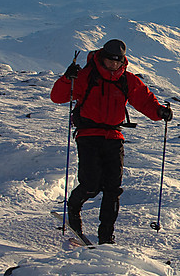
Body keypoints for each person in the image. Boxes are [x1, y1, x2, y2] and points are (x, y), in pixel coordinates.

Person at [51, 39, 173, 244]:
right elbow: (58, 97)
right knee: (91, 184)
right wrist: (66, 78)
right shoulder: (84, 75)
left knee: (112, 188)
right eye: (110, 60)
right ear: (103, 57)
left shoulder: (127, 80)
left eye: (118, 61)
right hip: (88, 134)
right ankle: (72, 209)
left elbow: (144, 100)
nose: (114, 65)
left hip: (114, 137)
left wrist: (159, 112)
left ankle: (106, 237)